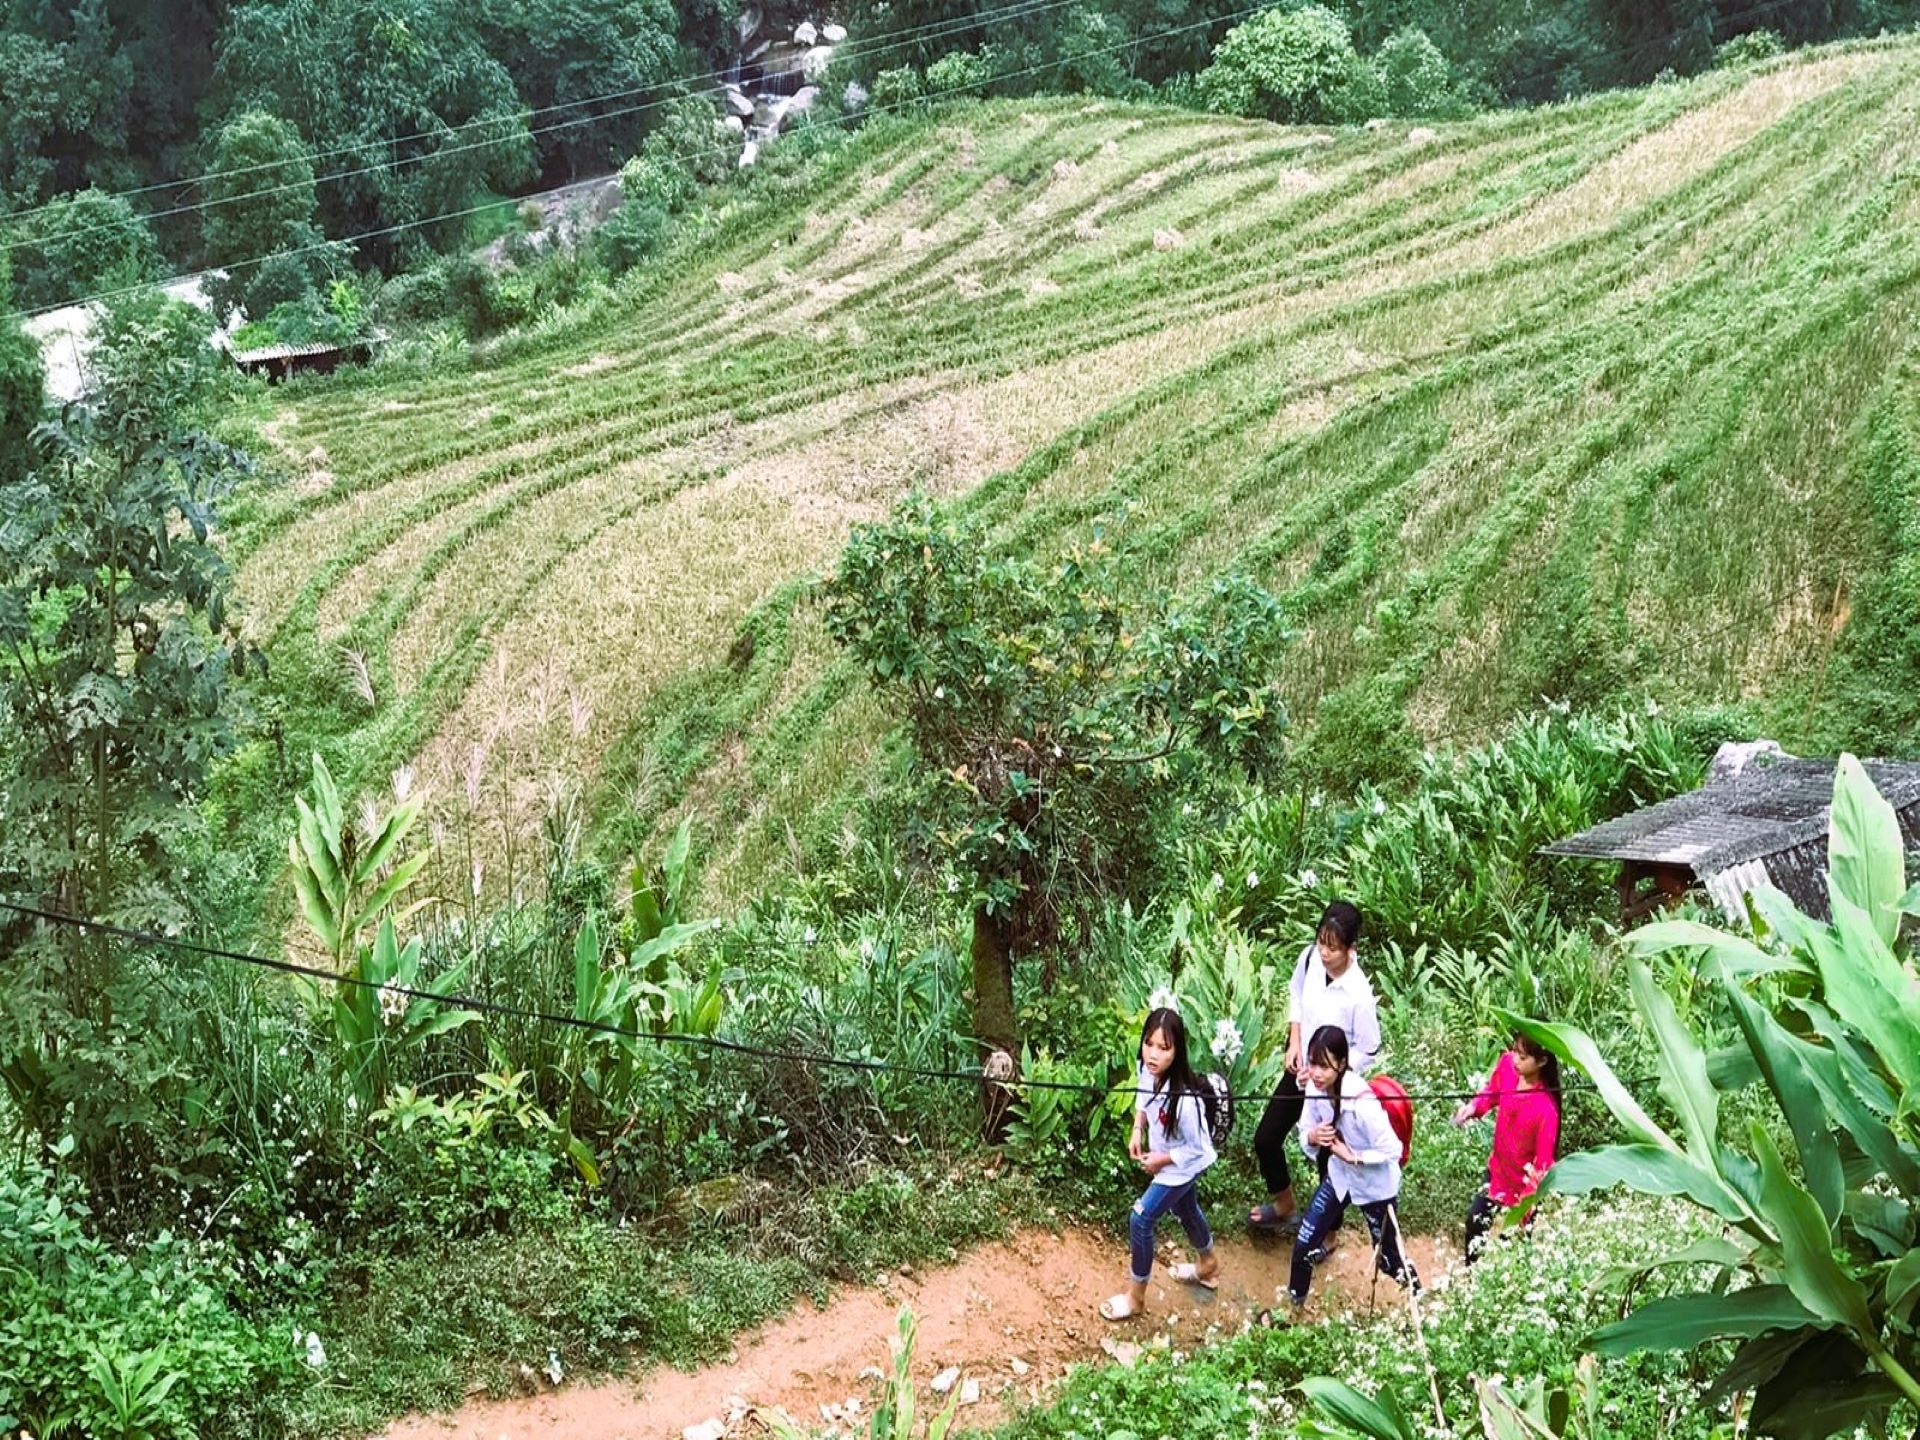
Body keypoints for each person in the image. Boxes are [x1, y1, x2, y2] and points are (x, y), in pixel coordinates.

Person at [1249, 900, 1380, 1231]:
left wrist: (1331, 1073)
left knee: (1328, 1160)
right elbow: (1296, 994)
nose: (1324, 952)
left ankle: (1329, 1235)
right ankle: (1284, 1202)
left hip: (1332, 1089)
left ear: (1351, 949)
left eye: (1333, 948)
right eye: (1321, 942)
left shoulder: (1358, 994)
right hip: (1299, 1074)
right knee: (1266, 1138)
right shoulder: (1309, 959)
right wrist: (1294, 1041)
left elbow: (1369, 1049)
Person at [1274, 1025, 1418, 1315]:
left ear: (1341, 1064)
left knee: (1388, 1259)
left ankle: (1419, 1299)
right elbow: (1305, 1131)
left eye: (1325, 1066)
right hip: (1340, 1178)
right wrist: (1313, 1137)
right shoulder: (1314, 1090)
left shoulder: (1362, 1102)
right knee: (1304, 1242)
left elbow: (1393, 1149)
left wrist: (1354, 1157)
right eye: (1313, 1063)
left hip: (1375, 1186)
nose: (1316, 1073)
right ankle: (1292, 1311)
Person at [1100, 1007, 1220, 1320]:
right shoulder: (1147, 1071)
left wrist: (1162, 1159)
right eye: (1149, 1044)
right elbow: (1142, 1100)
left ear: (1177, 1053)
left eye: (1164, 1048)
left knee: (1141, 1219)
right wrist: (1138, 1127)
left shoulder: (1187, 1101)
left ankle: (1136, 1296)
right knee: (1185, 1208)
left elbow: (1197, 1149)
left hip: (1182, 1163)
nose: (1153, 1054)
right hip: (1167, 1156)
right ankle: (1208, 1264)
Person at [1452, 1030, 1561, 1262]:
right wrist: (1472, 1108)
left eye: (1523, 1058)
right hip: (1497, 1172)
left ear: (1542, 1061)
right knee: (1475, 1222)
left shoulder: (1546, 1110)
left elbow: (1543, 1164)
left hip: (1523, 1189)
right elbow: (1491, 1093)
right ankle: (1471, 1277)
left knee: (1511, 1249)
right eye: (1515, 1052)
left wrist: (1526, 1206)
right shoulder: (1507, 1068)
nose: (1515, 1060)